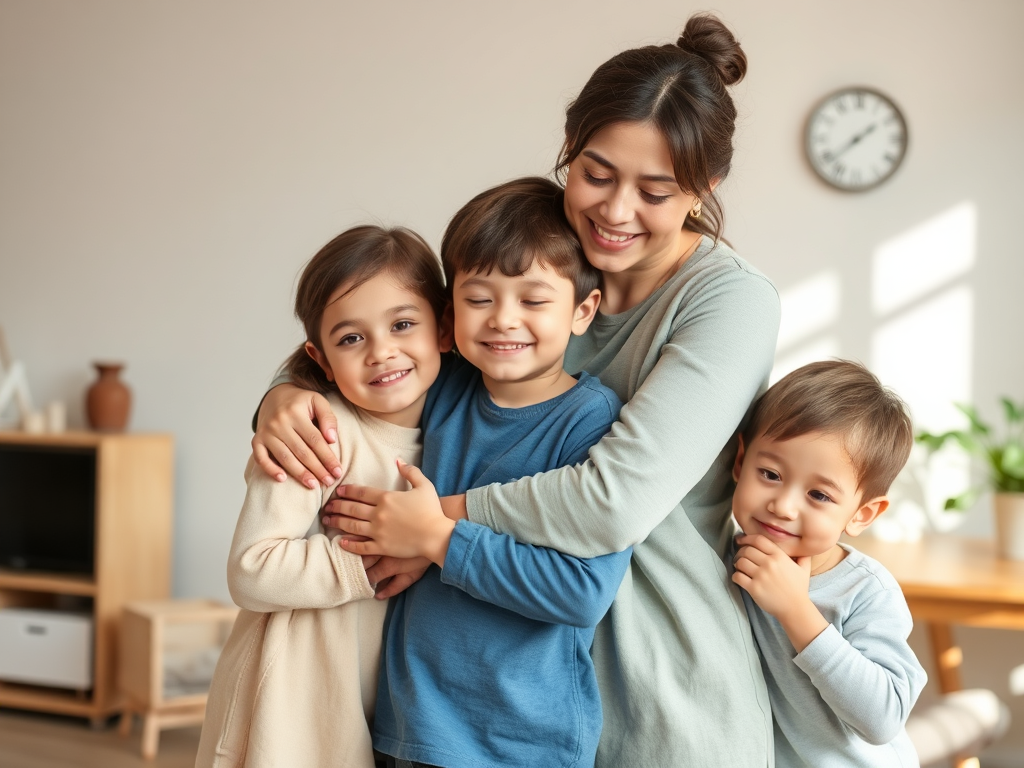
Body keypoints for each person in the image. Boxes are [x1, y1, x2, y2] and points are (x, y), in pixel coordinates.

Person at [256, 14, 781, 767]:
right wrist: (288, 390)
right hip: (489, 685)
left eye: (655, 191)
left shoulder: (729, 302)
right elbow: (396, 338)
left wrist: (432, 527)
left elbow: (612, 501)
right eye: (596, 173)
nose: (616, 209)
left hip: (659, 681)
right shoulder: (532, 259)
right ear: (568, 148)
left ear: (706, 188)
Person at [344, 177, 630, 768]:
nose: (503, 319)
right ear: (450, 315)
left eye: (532, 300)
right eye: (480, 299)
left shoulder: (589, 420)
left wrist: (438, 538)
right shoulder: (444, 384)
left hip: (524, 739)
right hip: (412, 722)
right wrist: (286, 396)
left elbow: (580, 594)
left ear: (582, 311)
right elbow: (347, 346)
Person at [195, 226, 450, 768]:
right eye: (351, 338)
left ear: (444, 329)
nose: (382, 352)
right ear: (321, 356)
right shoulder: (316, 432)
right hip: (286, 696)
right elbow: (251, 569)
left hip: (367, 697)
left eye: (403, 324)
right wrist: (368, 558)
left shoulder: (454, 434)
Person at [730, 359, 927, 767]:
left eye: (819, 496)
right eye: (769, 473)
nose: (782, 506)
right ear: (739, 462)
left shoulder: (866, 590)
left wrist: (796, 610)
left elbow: (884, 717)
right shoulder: (725, 556)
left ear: (862, 515)